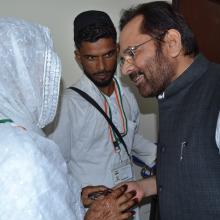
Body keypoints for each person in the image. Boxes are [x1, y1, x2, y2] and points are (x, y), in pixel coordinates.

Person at [0, 17, 137, 220]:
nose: (50, 81)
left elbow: (50, 194)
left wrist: (76, 195)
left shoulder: (21, 131)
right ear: (14, 74)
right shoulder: (19, 153)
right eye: (39, 68)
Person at [118, 1, 220, 220]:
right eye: (123, 59)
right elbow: (196, 173)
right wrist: (143, 187)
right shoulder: (169, 96)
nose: (125, 69)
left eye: (132, 53)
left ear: (172, 42)